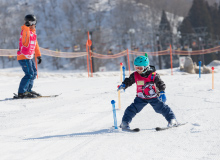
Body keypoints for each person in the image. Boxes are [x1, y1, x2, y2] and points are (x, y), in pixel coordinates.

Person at [118, 53, 178, 129]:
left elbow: (160, 83)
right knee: (131, 109)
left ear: (146, 67)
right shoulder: (135, 75)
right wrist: (124, 85)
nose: (137, 70)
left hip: (154, 97)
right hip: (140, 98)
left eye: (140, 68)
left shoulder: (153, 75)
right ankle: (125, 122)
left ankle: (172, 120)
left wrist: (162, 91)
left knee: (163, 108)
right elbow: (129, 81)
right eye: (136, 67)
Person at [17, 14, 42, 98]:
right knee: (29, 74)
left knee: (34, 73)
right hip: (23, 57)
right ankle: (21, 92)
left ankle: (28, 90)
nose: (34, 24)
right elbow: (25, 36)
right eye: (33, 22)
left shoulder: (32, 33)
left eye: (35, 22)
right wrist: (26, 26)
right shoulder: (25, 31)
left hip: (29, 57)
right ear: (29, 22)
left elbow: (35, 45)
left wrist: (38, 55)